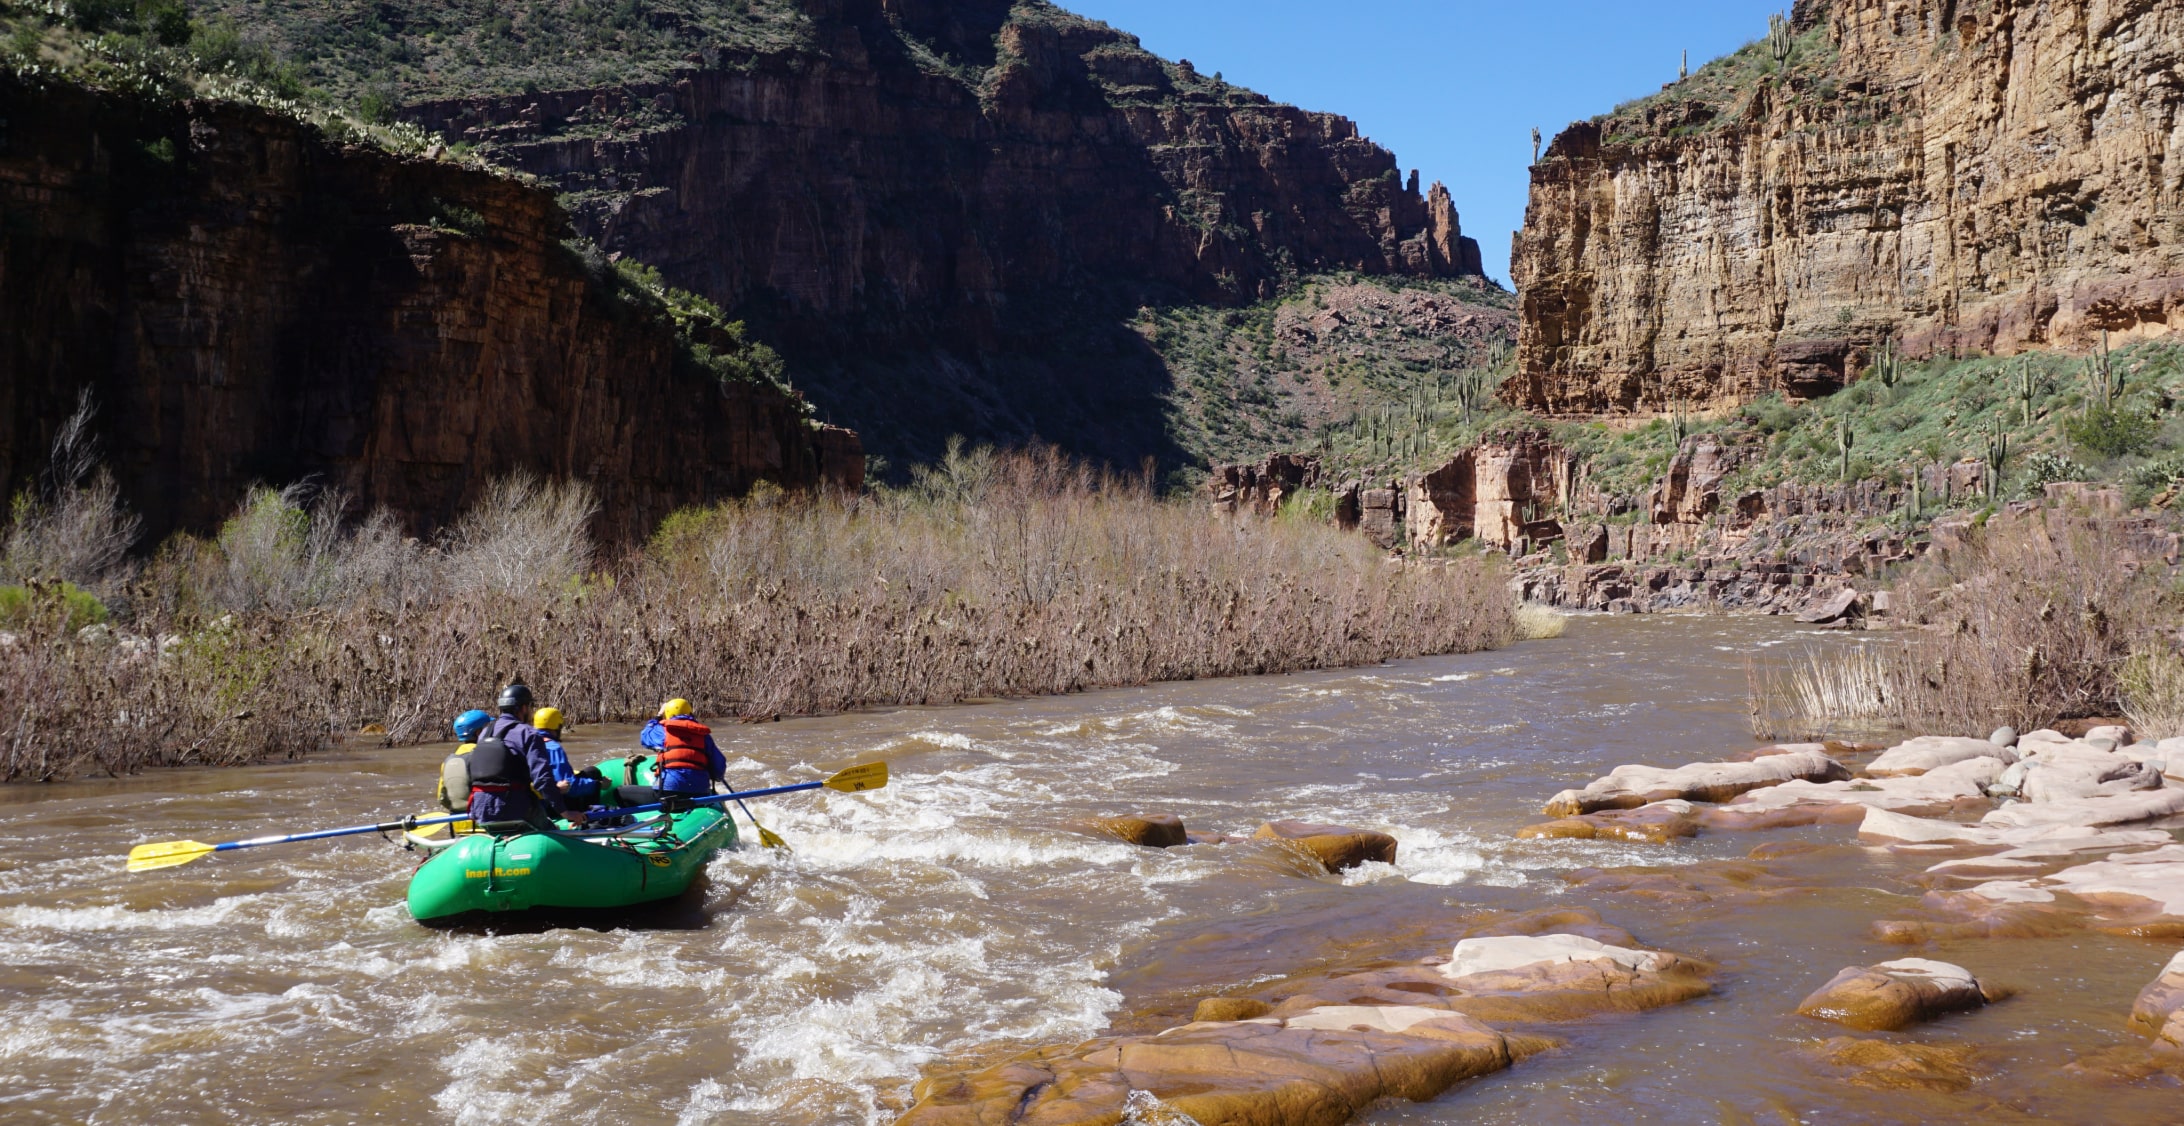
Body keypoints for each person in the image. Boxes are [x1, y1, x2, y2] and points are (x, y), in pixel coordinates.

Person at [467, 682, 583, 830]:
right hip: (513, 806)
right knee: (554, 834)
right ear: (522, 708)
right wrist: (565, 812)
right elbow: (542, 779)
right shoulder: (528, 733)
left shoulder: (485, 732)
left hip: (481, 807)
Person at [638, 698, 727, 795]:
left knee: (620, 792)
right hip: (700, 791)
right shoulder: (704, 736)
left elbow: (645, 737)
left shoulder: (663, 731)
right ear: (690, 713)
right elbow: (719, 769)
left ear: (667, 715)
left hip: (668, 790)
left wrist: (658, 716)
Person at [531, 706, 603, 811]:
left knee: (589, 772)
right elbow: (570, 786)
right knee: (593, 773)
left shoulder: (528, 742)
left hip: (533, 801)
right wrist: (598, 785)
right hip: (552, 805)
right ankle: (590, 813)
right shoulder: (554, 748)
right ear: (557, 727)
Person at [434, 709, 494, 813]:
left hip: (457, 824)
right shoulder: (486, 756)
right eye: (488, 728)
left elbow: (442, 798)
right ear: (478, 732)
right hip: (484, 823)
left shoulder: (448, 761)